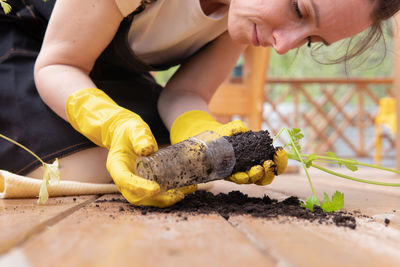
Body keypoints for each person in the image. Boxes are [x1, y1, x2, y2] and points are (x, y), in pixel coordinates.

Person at [0, 0, 399, 207]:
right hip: (33, 49)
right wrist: (110, 124)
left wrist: (206, 135)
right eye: (298, 9)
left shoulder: (242, 18)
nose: (285, 44)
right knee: (84, 169)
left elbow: (184, 94)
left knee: (157, 164)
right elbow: (59, 62)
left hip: (112, 78)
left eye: (311, 40)